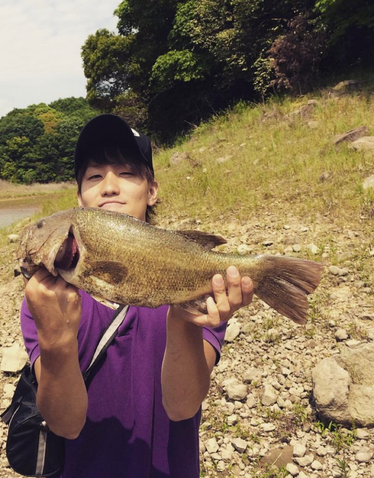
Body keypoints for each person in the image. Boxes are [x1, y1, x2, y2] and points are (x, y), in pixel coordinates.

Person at [20, 114, 254, 477]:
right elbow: (65, 425)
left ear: (152, 189)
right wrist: (55, 343)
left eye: (127, 173)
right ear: (78, 198)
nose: (110, 186)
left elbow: (182, 405)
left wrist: (184, 321)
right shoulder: (46, 300)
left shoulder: (194, 280)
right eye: (94, 176)